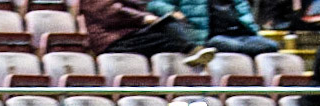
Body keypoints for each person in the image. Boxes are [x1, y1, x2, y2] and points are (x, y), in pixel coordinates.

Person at [80, 0, 218, 65]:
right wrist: (143, 18)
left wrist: (146, 17)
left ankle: (194, 54)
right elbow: (108, 12)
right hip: (111, 40)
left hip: (131, 33)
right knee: (167, 28)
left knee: (170, 28)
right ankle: (193, 50)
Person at [146, 0, 282, 55]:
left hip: (242, 34)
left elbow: (245, 15)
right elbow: (154, 3)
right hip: (212, 36)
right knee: (233, 47)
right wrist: (173, 11)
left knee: (272, 46)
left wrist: (252, 30)